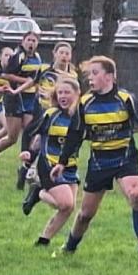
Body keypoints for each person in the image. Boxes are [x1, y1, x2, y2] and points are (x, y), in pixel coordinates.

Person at [51, 55, 138, 265]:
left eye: (95, 73)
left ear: (109, 76)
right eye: (88, 75)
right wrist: (61, 162)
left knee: (137, 195)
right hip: (99, 163)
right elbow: (74, 135)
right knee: (85, 214)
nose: (90, 79)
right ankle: (69, 246)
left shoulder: (126, 99)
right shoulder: (85, 103)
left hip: (125, 159)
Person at [19, 76, 81, 247]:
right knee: (66, 203)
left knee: (68, 208)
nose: (62, 96)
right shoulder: (51, 114)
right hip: (48, 165)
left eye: (67, 92)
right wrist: (27, 153)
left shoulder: (81, 117)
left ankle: (43, 240)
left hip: (70, 167)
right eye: (60, 92)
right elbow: (31, 133)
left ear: (77, 94)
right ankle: (39, 191)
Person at [0, 31, 43, 187]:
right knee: (12, 137)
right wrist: (27, 81)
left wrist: (36, 85)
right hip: (14, 98)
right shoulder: (18, 56)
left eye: (34, 41)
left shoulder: (37, 58)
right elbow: (6, 75)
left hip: (31, 99)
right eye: (29, 40)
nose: (31, 43)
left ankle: (27, 168)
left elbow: (37, 79)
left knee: (31, 132)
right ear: (23, 41)